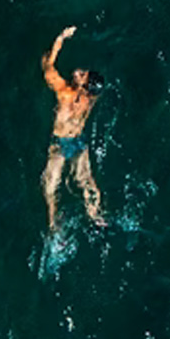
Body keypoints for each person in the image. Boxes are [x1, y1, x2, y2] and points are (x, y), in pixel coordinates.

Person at [41, 26, 107, 231]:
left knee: (50, 186)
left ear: (82, 86)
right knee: (85, 181)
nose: (79, 72)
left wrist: (59, 38)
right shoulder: (91, 99)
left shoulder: (64, 93)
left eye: (82, 75)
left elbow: (47, 66)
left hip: (60, 144)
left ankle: (53, 223)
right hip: (79, 141)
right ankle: (96, 216)